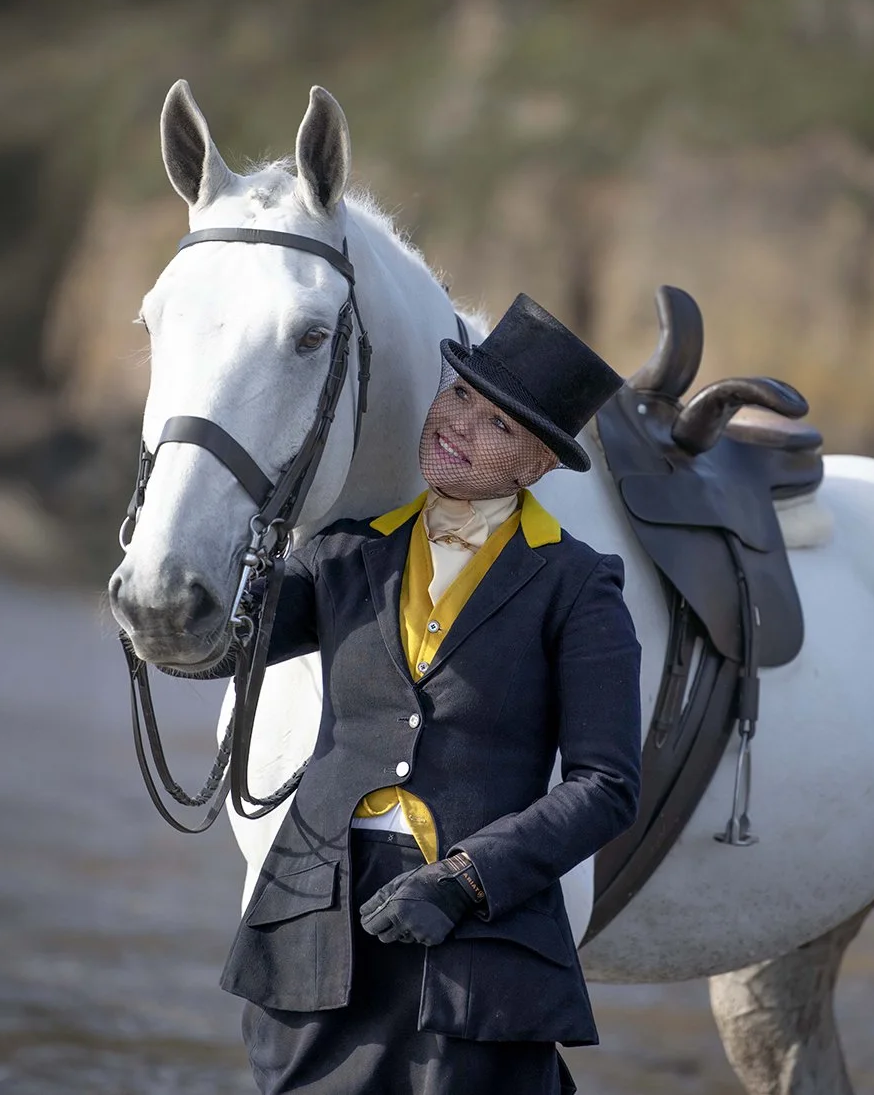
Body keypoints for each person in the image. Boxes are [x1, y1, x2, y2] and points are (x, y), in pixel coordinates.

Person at [221, 293, 642, 1094]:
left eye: (497, 424)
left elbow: (607, 785)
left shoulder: (579, 584)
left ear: (536, 465)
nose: (458, 423)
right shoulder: (343, 553)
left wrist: (466, 878)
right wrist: (169, 588)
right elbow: (218, 647)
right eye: (459, 396)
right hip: (316, 923)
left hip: (474, 944)